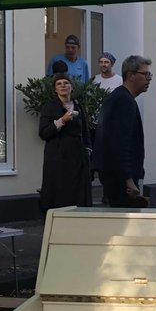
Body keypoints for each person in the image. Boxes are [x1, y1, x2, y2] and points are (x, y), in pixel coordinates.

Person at [92, 55, 152, 208]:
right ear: (131, 75)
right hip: (121, 182)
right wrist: (128, 179)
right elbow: (119, 143)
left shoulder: (122, 98)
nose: (149, 78)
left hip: (118, 177)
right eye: (145, 74)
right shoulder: (123, 101)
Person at [38, 74, 92, 211]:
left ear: (71, 87)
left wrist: (87, 151)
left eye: (66, 83)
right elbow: (43, 133)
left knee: (78, 191)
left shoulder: (79, 106)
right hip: (58, 156)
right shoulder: (49, 107)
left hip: (77, 156)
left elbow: (85, 131)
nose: (63, 86)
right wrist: (62, 120)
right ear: (55, 89)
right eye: (59, 84)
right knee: (60, 190)